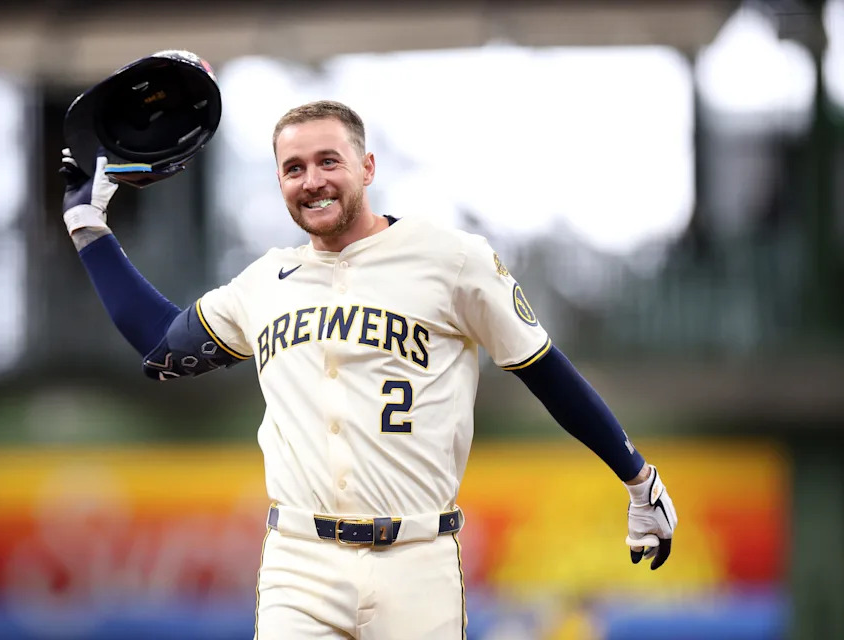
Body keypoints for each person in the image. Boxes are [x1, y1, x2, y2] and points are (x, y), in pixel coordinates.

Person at [59, 100, 678, 639]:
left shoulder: (451, 259)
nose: (312, 180)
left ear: (367, 168)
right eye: (293, 168)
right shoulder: (265, 281)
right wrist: (90, 229)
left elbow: (543, 369)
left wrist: (636, 476)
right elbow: (163, 349)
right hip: (299, 560)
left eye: (329, 160)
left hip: (418, 558)